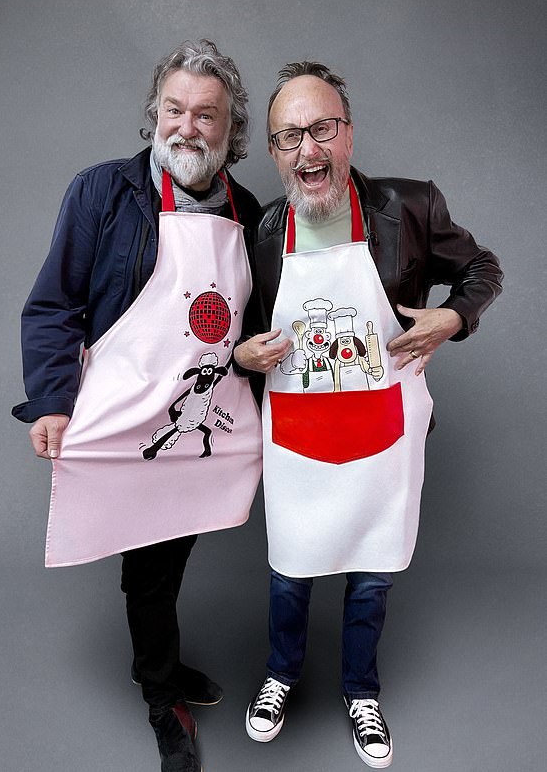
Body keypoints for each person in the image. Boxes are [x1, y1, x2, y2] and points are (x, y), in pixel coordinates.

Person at [234, 62, 502, 768]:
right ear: (273, 150)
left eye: (322, 128)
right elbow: (238, 330)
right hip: (298, 431)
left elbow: (482, 268)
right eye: (290, 136)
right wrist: (242, 353)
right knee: (290, 569)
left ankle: (361, 691)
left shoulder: (407, 206)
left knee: (374, 569)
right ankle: (280, 675)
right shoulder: (262, 231)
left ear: (348, 133)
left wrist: (451, 316)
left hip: (386, 428)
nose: (308, 150)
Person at [12, 40, 263, 772]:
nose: (186, 126)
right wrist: (52, 400)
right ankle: (162, 694)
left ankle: (158, 658)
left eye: (205, 115)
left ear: (230, 130)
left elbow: (246, 318)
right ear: (156, 114)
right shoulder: (103, 191)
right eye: (174, 110)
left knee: (174, 540)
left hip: (199, 417)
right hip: (126, 416)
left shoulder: (247, 210)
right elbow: (54, 303)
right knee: (150, 561)